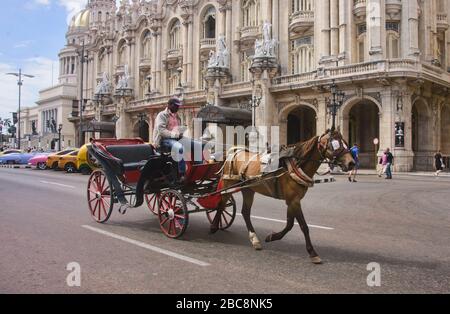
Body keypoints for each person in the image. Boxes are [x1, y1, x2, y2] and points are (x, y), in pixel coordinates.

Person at [153, 97, 204, 182]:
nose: (178, 108)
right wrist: (175, 135)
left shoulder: (177, 116)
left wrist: (182, 131)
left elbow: (177, 129)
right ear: (169, 105)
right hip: (164, 140)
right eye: (176, 106)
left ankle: (198, 170)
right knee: (180, 148)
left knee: (198, 145)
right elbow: (161, 131)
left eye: (178, 106)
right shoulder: (162, 115)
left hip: (176, 138)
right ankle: (182, 174)